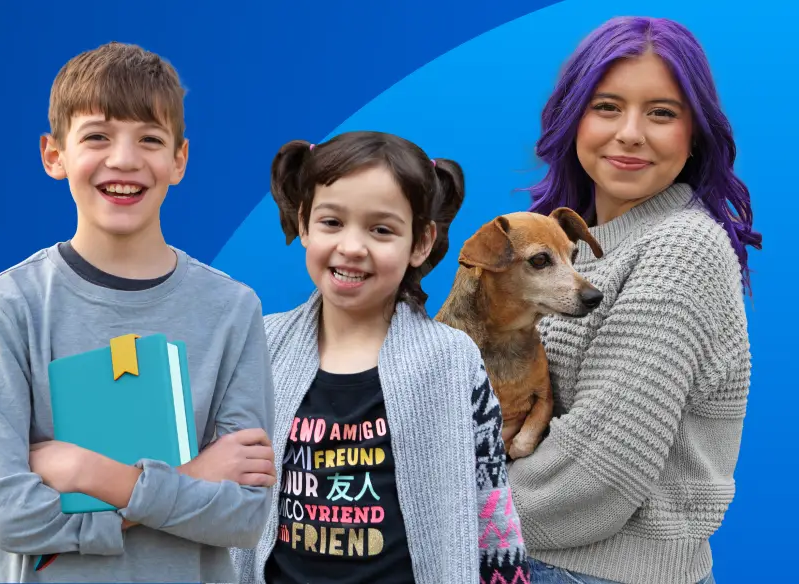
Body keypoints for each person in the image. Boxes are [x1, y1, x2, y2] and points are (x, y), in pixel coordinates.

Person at [0, 41, 276, 583]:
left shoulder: (233, 311)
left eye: (150, 140)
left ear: (179, 160)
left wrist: (92, 473)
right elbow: (12, 517)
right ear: (53, 155)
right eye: (97, 137)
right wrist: (191, 477)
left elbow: (245, 517)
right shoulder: (8, 308)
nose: (124, 160)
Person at [506, 16, 761, 584]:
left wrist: (442, 511)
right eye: (607, 107)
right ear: (574, 118)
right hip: (530, 559)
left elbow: (597, 475)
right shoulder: (568, 245)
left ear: (694, 133)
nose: (630, 133)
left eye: (662, 113)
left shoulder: (681, 248)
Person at [230, 131, 529, 583]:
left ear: (421, 243)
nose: (352, 247)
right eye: (332, 222)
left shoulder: (449, 361)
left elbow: (491, 503)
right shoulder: (262, 345)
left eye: (381, 229)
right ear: (305, 222)